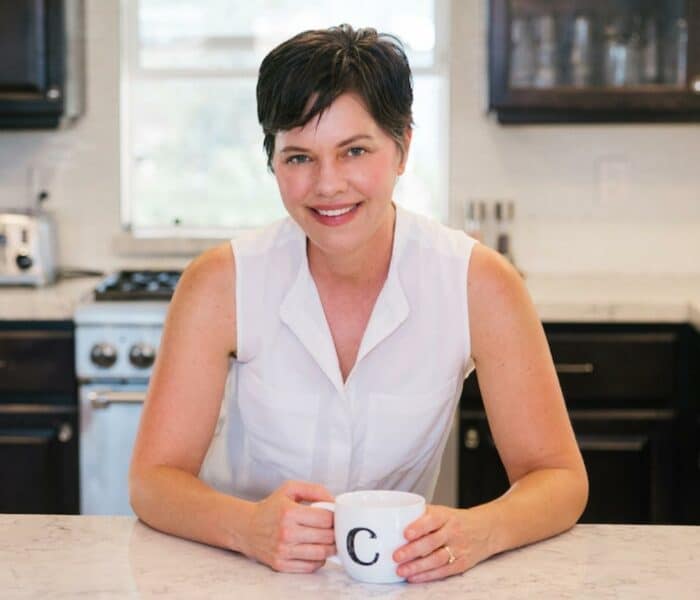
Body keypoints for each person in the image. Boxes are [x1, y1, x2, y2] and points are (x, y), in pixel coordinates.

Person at [129, 24, 588, 583]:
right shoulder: (220, 281)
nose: (328, 185)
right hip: (244, 575)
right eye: (299, 157)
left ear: (402, 148)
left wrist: (480, 530)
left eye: (354, 151)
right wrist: (246, 527)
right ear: (272, 161)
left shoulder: (477, 282)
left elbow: (559, 477)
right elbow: (154, 479)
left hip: (395, 583)